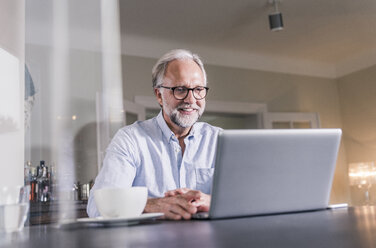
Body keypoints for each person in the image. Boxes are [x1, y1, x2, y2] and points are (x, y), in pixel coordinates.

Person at [87, 49, 221, 220]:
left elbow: (251, 198)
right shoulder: (130, 139)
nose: (191, 99)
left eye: (198, 89)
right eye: (180, 89)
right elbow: (96, 207)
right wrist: (150, 205)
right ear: (159, 95)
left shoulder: (219, 140)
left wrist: (213, 201)